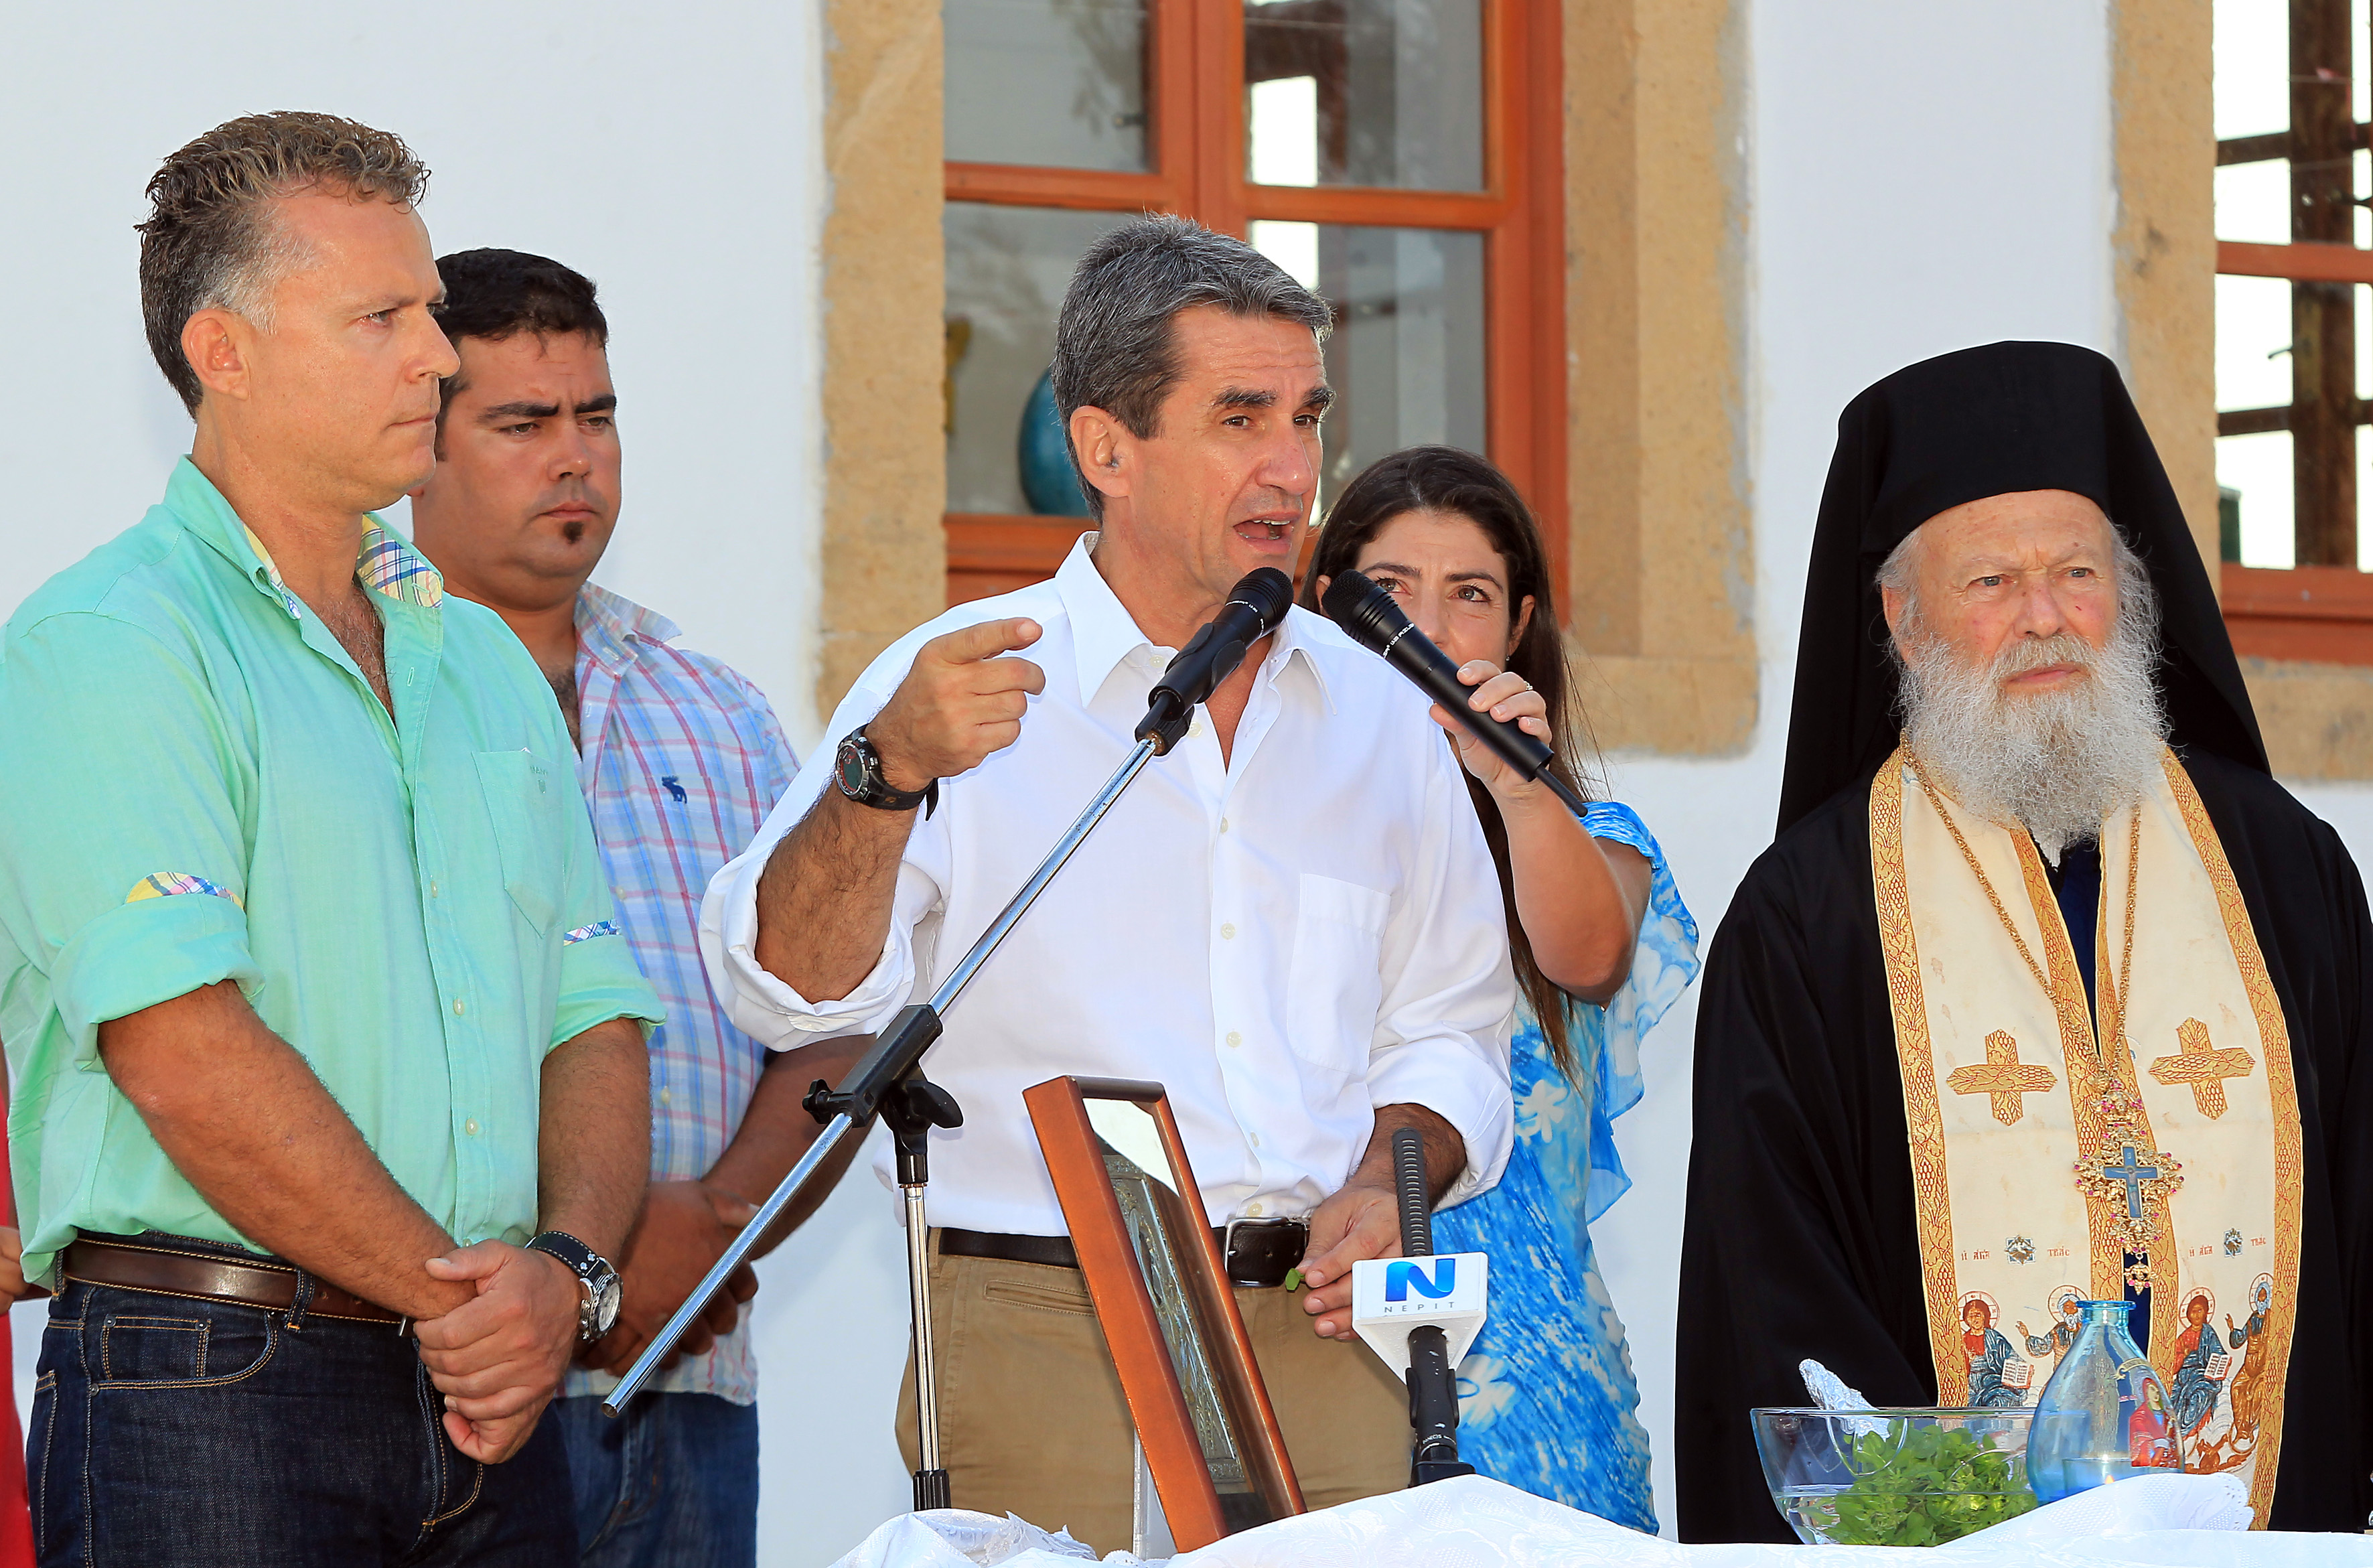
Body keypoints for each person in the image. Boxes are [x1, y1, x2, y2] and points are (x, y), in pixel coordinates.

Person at [701, 215, 1516, 1553]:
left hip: (1324, 1333)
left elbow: (1450, 1025)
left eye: (1306, 417)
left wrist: (1388, 1172)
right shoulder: (956, 683)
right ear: (1105, 449)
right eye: (1239, 417)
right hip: (1047, 1329)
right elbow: (788, 992)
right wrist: (881, 775)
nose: (1291, 466)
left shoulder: (1377, 713)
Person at [0, 114, 664, 1565]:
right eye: (382, 318)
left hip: (491, 1399)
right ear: (224, 353)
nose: (437, 355)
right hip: (209, 1388)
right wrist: (476, 1303)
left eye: (429, 311)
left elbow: (594, 1009)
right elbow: (182, 1051)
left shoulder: (480, 660)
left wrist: (564, 1275)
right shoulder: (107, 642)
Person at [1674, 341, 2372, 1537]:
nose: (2045, 619)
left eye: (2076, 573)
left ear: (2129, 597)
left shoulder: (2284, 872)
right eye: (1991, 581)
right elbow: (1775, 1285)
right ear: (1903, 621)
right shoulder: (1809, 920)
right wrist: (1920, 1527)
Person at [408, 249, 839, 1567]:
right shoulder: (354, 688)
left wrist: (712, 1221)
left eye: (595, 416)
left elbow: (829, 1013)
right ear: (416, 444)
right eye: (522, 423)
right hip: (437, 1379)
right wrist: (575, 1260)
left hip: (685, 1384)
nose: (574, 458)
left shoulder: (716, 710)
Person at [1297, 445, 1697, 1528]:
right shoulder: (1272, 841)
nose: (1428, 626)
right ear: (1330, 608)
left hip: (1539, 1386)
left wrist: (1516, 788)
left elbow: (1588, 956)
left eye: (1469, 594)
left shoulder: (1593, 833)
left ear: (1518, 626)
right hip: (1325, 1352)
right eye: (1391, 591)